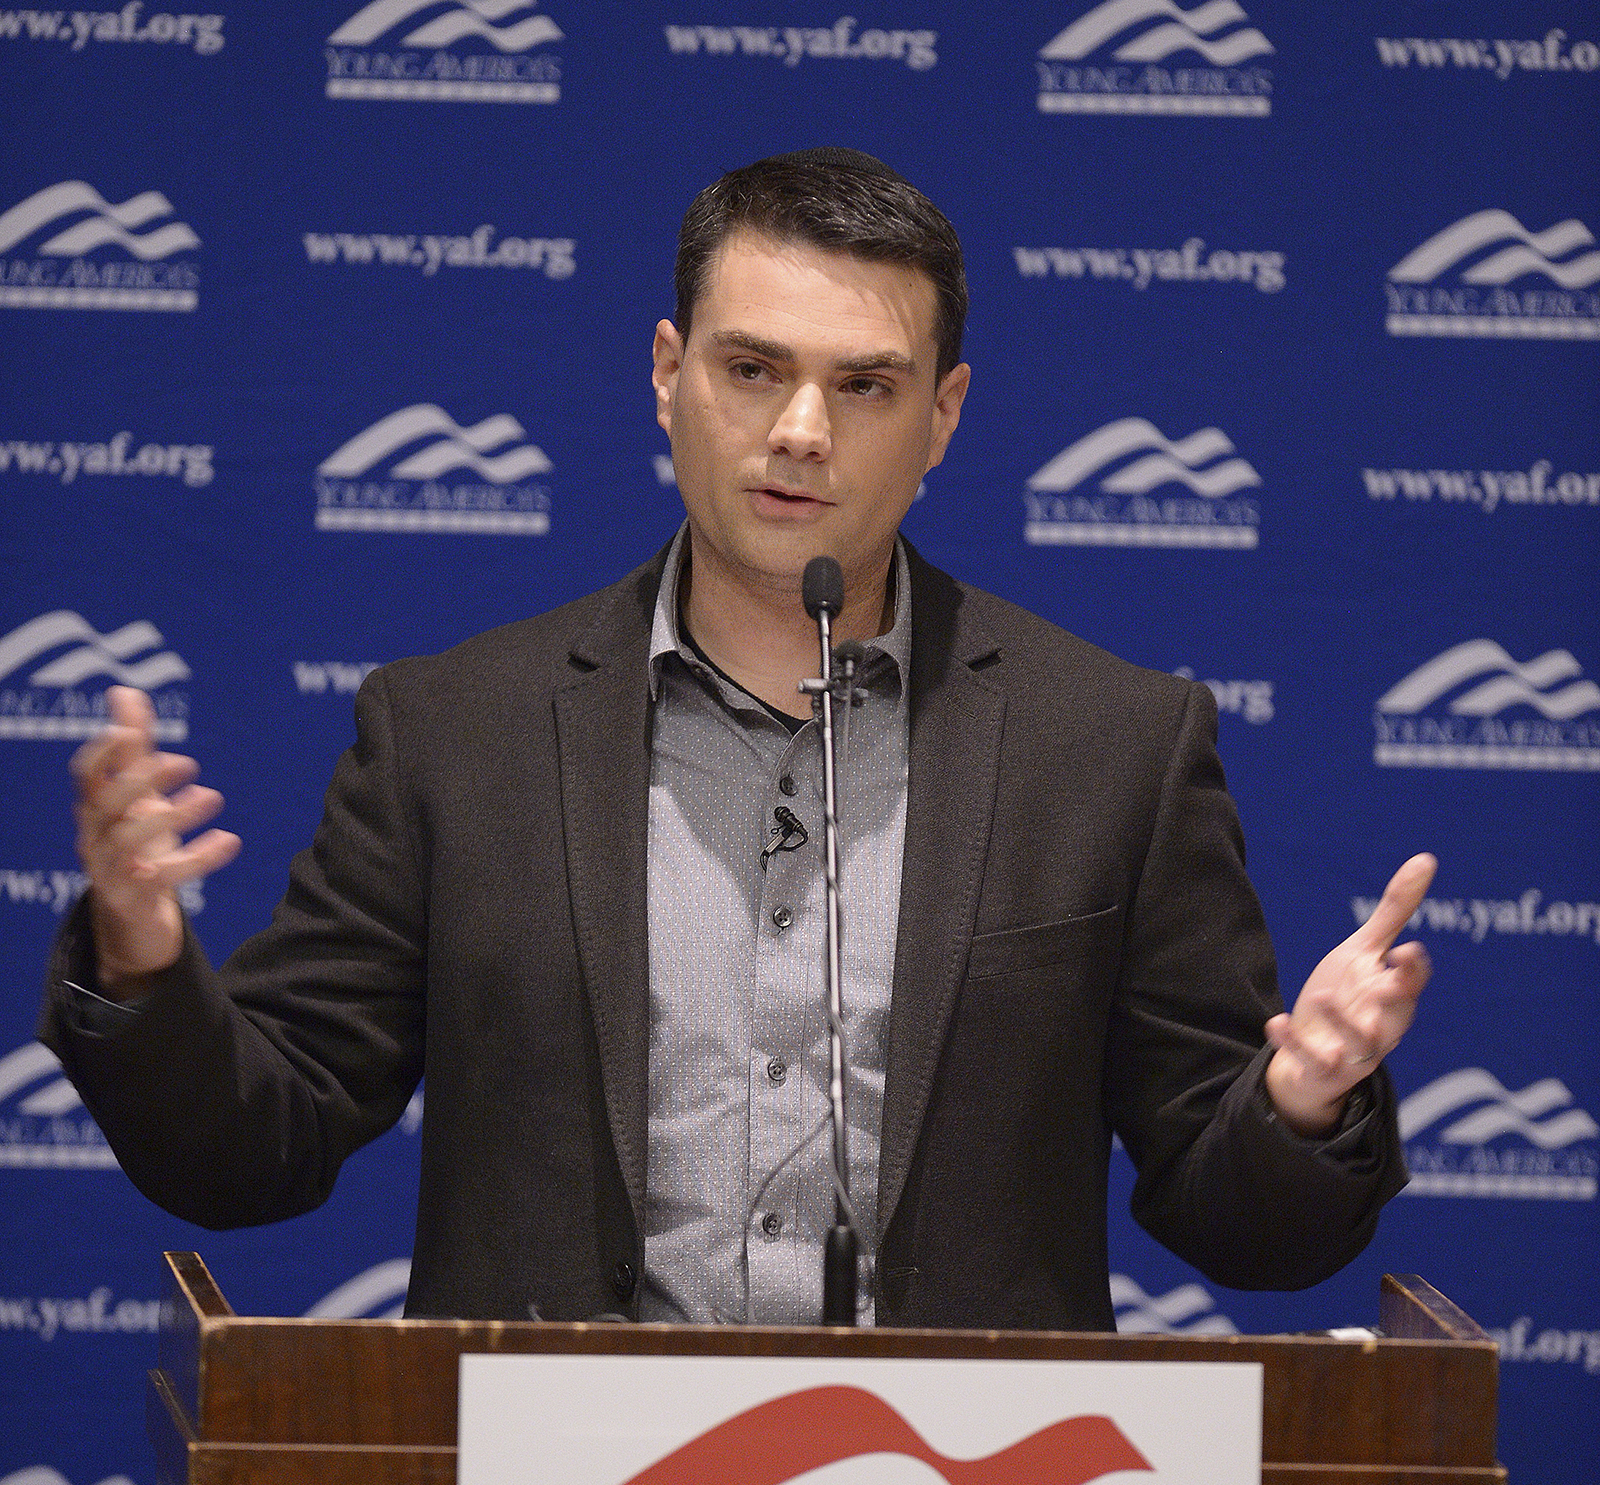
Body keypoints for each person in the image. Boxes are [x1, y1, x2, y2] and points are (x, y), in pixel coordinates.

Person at [41, 148, 1434, 1330]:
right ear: (668, 374)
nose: (801, 431)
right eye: (752, 368)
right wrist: (144, 963)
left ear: (945, 414)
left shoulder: (1111, 746)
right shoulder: (455, 736)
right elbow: (253, 1151)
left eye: (868, 385)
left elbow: (1251, 1230)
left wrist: (1301, 1102)